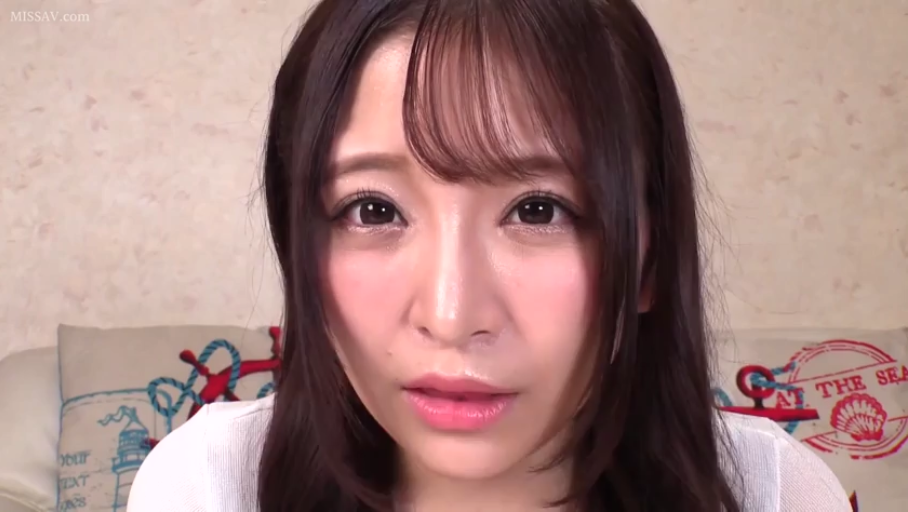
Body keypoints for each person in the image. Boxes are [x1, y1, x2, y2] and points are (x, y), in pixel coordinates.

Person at [127, 0, 852, 510]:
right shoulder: (211, 487)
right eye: (373, 210)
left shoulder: (771, 493)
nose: (451, 316)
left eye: (538, 210)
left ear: (649, 258)